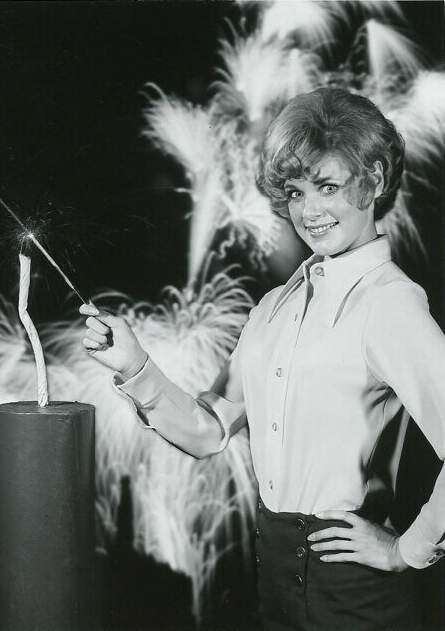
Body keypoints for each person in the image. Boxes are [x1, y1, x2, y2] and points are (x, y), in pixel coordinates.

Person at [80, 88, 445, 631]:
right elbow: (209, 431)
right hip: (272, 578)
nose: (308, 211)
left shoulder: (389, 304)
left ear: (373, 179)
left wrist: (407, 550)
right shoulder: (275, 307)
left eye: (327, 186)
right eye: (295, 192)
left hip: (352, 593)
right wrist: (135, 367)